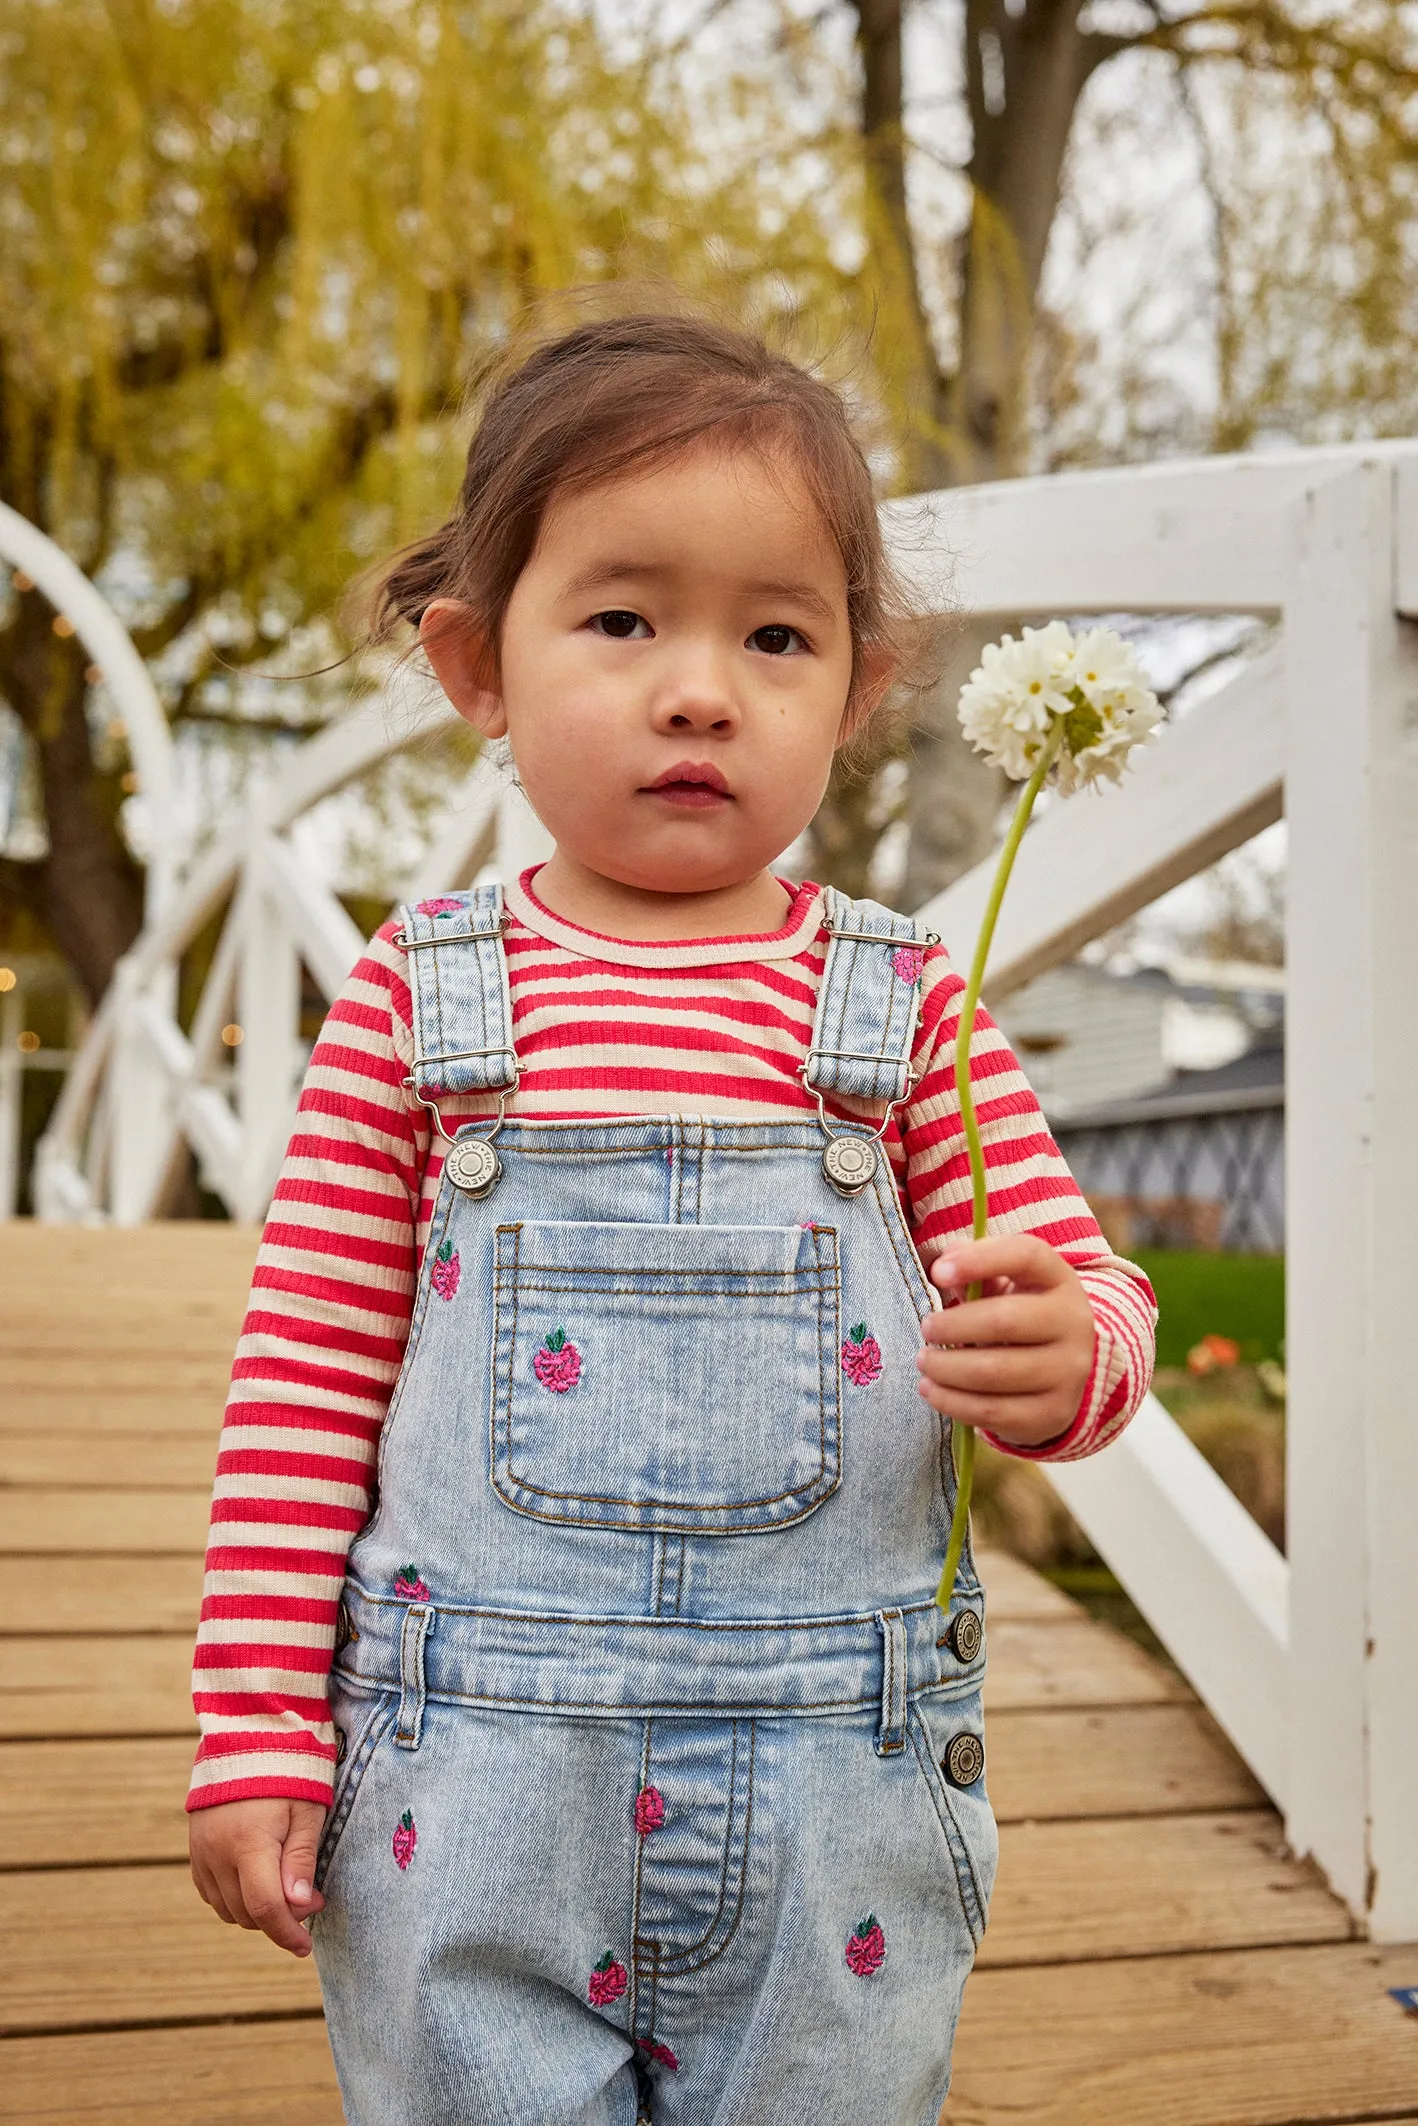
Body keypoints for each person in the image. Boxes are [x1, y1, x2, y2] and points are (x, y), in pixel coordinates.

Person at [187, 310, 1157, 2126]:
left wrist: (1062, 1348)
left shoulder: (904, 1005)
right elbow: (305, 1379)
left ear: (855, 693)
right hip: (473, 1786)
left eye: (775, 635)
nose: (700, 687)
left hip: (834, 1803)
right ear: (479, 663)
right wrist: (254, 1724)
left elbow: (1089, 1293)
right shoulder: (420, 995)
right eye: (623, 620)